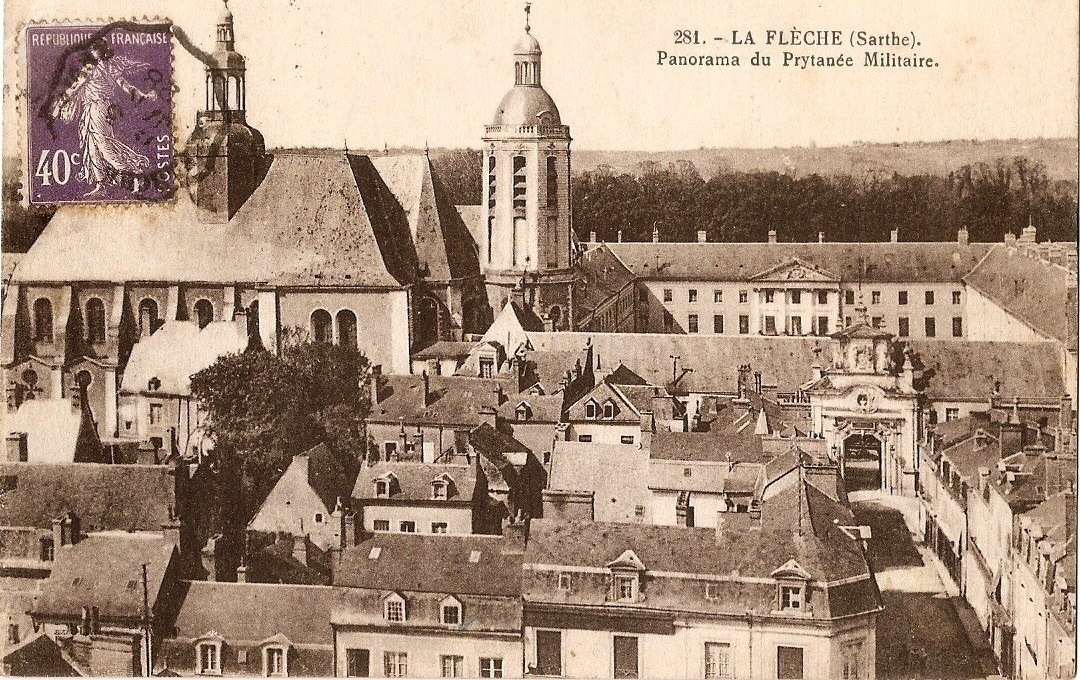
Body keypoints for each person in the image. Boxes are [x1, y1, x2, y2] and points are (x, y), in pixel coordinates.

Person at [50, 38, 157, 196]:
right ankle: (101, 185)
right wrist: (144, 95)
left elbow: (74, 88)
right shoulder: (109, 68)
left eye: (95, 49)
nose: (93, 52)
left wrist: (59, 105)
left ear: (98, 51)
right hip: (95, 109)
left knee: (102, 142)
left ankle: (132, 169)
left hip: (97, 108)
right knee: (92, 146)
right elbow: (126, 87)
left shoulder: (91, 68)